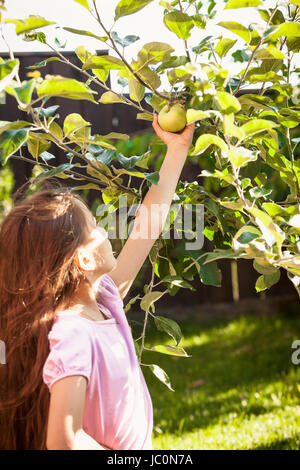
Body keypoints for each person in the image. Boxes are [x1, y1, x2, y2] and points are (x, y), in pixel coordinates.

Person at [0, 114, 195, 450]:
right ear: (84, 260)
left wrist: (176, 150)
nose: (106, 231)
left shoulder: (103, 298)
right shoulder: (74, 334)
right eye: (95, 228)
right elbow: (64, 440)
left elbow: (149, 224)